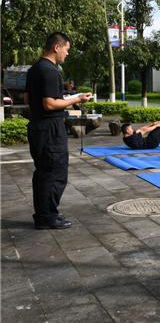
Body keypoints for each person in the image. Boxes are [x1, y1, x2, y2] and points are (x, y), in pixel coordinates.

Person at [25, 32, 93, 230]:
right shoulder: (50, 71)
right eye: (67, 49)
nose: (67, 53)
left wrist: (68, 97)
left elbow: (29, 99)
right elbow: (49, 103)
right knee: (55, 173)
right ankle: (47, 217)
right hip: (50, 129)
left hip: (38, 126)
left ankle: (45, 214)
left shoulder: (35, 69)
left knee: (43, 173)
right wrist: (77, 99)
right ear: (57, 47)